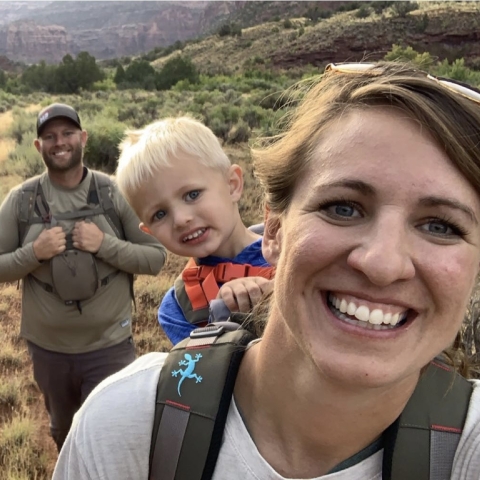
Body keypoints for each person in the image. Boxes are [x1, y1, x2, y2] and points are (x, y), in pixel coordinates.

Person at [52, 62, 480, 479]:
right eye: (343, 208)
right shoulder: (125, 430)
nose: (383, 264)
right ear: (275, 227)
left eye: (441, 226)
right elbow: (200, 374)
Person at [0, 103, 166, 452]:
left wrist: (104, 244)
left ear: (83, 138)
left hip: (109, 346)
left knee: (112, 433)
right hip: (48, 349)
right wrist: (34, 253)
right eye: (49, 136)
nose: (59, 142)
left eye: (67, 133)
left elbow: (155, 258)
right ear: (38, 146)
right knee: (65, 431)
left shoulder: (112, 193)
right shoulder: (21, 201)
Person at [115, 116, 274, 345]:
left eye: (192, 195)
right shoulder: (180, 307)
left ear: (233, 185)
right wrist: (225, 316)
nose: (180, 219)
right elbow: (205, 378)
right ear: (150, 232)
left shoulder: (296, 250)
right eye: (160, 214)